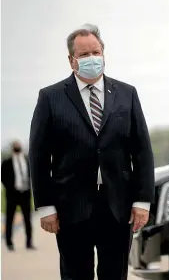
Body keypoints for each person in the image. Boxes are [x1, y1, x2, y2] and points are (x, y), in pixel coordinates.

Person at [29, 24, 155, 280]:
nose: (92, 59)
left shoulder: (126, 94)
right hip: (70, 208)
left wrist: (142, 201)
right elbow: (39, 157)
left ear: (104, 53)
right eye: (84, 55)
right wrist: (45, 206)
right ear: (71, 60)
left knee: (115, 274)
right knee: (75, 274)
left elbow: (141, 151)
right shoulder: (50, 97)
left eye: (96, 52)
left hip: (117, 207)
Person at [1, 140, 35, 251]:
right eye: (15, 145)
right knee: (9, 219)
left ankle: (29, 243)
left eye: (18, 145)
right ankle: (9, 243)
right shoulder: (6, 162)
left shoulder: (26, 160)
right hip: (12, 194)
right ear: (12, 147)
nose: (17, 146)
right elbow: (3, 177)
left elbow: (31, 175)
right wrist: (10, 188)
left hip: (25, 194)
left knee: (27, 219)